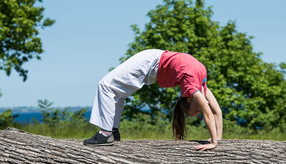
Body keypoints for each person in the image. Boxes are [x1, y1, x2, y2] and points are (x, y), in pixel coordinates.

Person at [83, 49, 223, 151]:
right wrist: (214, 143)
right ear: (189, 99)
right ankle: (107, 134)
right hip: (148, 62)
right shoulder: (193, 89)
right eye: (198, 109)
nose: (202, 106)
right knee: (106, 86)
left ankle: (112, 131)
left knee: (115, 92)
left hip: (153, 65)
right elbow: (209, 113)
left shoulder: (200, 85)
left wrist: (217, 138)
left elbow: (217, 111)